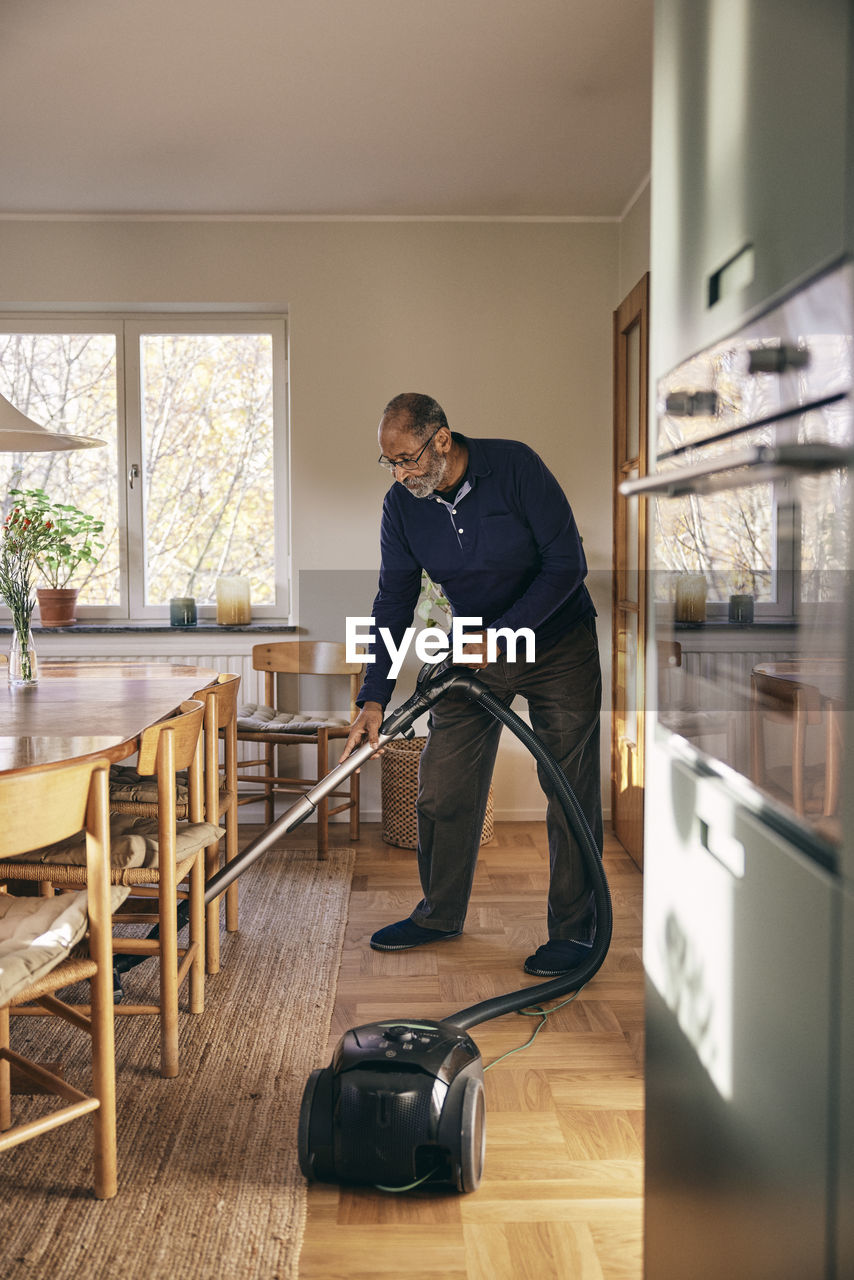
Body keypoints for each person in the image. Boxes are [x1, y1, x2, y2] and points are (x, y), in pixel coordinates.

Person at [341, 392, 603, 976]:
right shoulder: (402, 507)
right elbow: (393, 599)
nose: (400, 474)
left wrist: (505, 634)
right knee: (444, 782)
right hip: (474, 651)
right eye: (389, 463)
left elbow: (567, 564)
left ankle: (576, 933)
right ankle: (439, 914)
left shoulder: (515, 467)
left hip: (558, 642)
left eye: (407, 458)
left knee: (568, 786)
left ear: (441, 439)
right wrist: (373, 695)